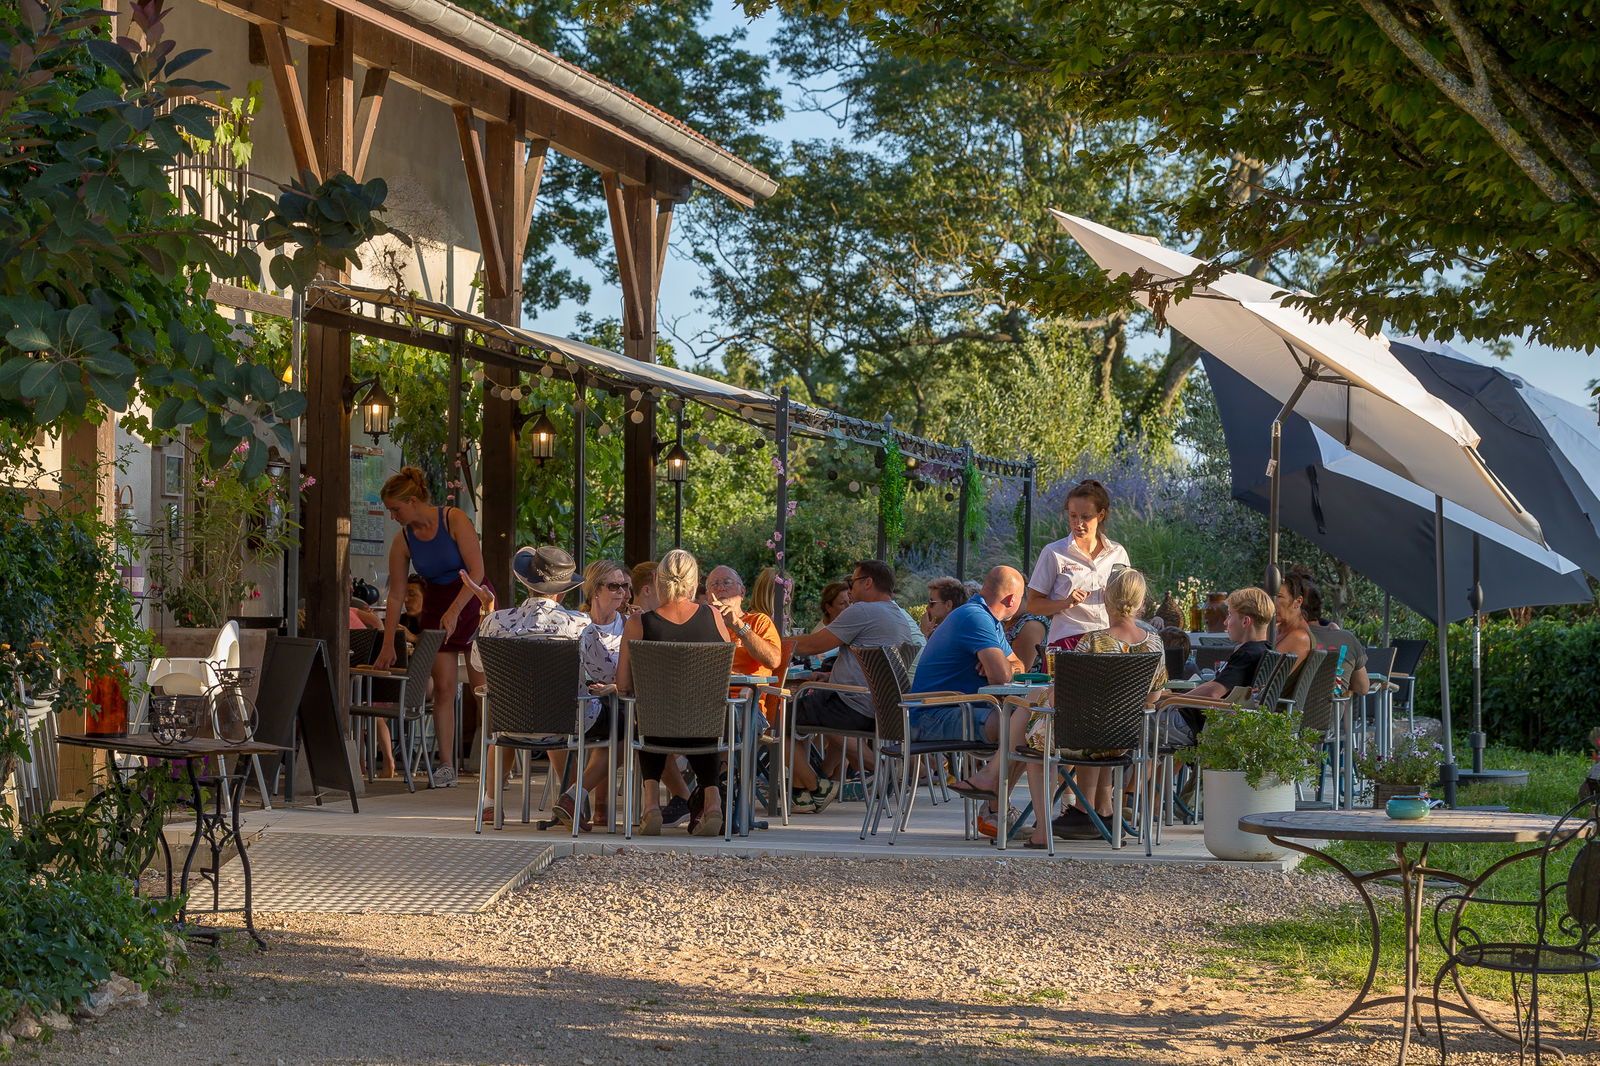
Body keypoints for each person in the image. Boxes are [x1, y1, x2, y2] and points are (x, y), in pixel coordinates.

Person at [374, 467, 485, 788]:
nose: (393, 516)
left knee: (482, 689)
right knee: (445, 688)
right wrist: (387, 643)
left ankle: (494, 764)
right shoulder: (403, 539)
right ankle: (447, 766)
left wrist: (456, 611)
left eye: (396, 509)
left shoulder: (454, 520)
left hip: (473, 597)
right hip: (436, 600)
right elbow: (395, 595)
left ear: (412, 501)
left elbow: (477, 571)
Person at [784, 560, 924, 813]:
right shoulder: (897, 615)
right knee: (802, 709)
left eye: (853, 583)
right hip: (880, 708)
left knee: (781, 717)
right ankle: (800, 792)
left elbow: (814, 645)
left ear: (868, 582)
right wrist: (830, 678)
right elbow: (869, 667)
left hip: (853, 706)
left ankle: (816, 786)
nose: (850, 590)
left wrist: (775, 642)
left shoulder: (863, 611)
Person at [1041, 567, 1168, 843]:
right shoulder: (1155, 644)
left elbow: (1066, 699)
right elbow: (1153, 699)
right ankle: (1103, 811)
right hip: (1128, 737)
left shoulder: (1092, 641)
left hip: (1083, 736)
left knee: (1046, 721)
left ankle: (1080, 812)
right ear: (1142, 602)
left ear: (1106, 600)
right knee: (1102, 727)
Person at [615, 549, 734, 837]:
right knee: (702, 717)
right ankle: (713, 802)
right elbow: (723, 679)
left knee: (645, 715)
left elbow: (623, 685)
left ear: (657, 580)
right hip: (706, 727)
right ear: (695, 583)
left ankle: (651, 805)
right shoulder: (715, 618)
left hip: (656, 728)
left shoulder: (638, 623)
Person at [468, 545, 590, 823]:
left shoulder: (496, 621)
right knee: (563, 709)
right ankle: (572, 799)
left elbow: (478, 663)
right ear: (563, 591)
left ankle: (490, 801)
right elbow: (595, 667)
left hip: (510, 722)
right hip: (562, 723)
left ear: (526, 584)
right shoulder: (579, 623)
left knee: (512, 711)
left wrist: (485, 610)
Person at [910, 566, 1032, 839]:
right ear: (1012, 600)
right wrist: (1003, 666)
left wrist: (1006, 665)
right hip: (934, 716)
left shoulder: (988, 620)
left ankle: (994, 805)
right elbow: (1001, 676)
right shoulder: (974, 618)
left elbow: (1017, 664)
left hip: (955, 710)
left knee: (1030, 725)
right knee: (1028, 727)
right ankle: (994, 809)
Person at [1027, 479, 1130, 653]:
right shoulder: (1054, 552)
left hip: (1109, 643)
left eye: (1085, 516)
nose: (1078, 523)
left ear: (1101, 515)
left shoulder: (1118, 553)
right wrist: (1065, 603)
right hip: (1068, 644)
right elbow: (1033, 605)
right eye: (1073, 515)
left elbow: (1129, 600)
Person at [705, 565, 783, 728]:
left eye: (727, 582)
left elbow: (774, 660)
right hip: (704, 703)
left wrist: (739, 627)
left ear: (742, 592)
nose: (720, 588)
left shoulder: (759, 621)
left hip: (745, 704)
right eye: (714, 584)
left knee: (724, 724)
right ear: (707, 595)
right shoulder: (702, 625)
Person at [1275, 569, 1319, 665]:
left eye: (1279, 596)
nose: (1271, 602)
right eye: (1270, 596)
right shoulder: (1278, 630)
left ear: (1298, 602)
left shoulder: (1299, 638)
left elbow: (1263, 676)